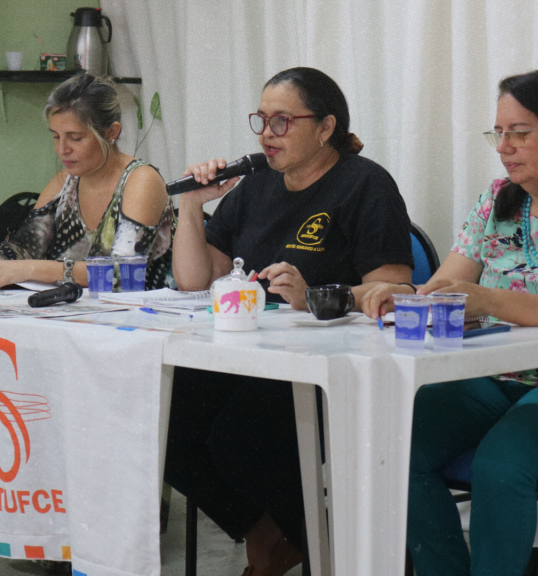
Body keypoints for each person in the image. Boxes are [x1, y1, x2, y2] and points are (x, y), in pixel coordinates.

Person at [362, 69, 538, 576]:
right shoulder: (498, 200)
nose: (504, 146)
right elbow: (448, 287)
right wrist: (401, 294)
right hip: (504, 376)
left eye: (520, 132)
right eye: (499, 133)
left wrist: (488, 300)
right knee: (397, 442)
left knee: (503, 460)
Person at [167, 67, 414, 576]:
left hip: (332, 369)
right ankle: (271, 539)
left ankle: (332, 551)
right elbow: (197, 281)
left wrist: (315, 297)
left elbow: (395, 288)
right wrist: (191, 207)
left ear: (325, 128)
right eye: (262, 120)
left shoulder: (365, 185)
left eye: (282, 121)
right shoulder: (257, 188)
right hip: (254, 358)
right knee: (164, 419)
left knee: (237, 440)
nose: (265, 134)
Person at [0, 73, 176, 291]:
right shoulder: (66, 182)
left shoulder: (141, 180)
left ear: (111, 133)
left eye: (76, 138)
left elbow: (121, 273)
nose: (62, 149)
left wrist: (32, 269)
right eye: (56, 136)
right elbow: (24, 247)